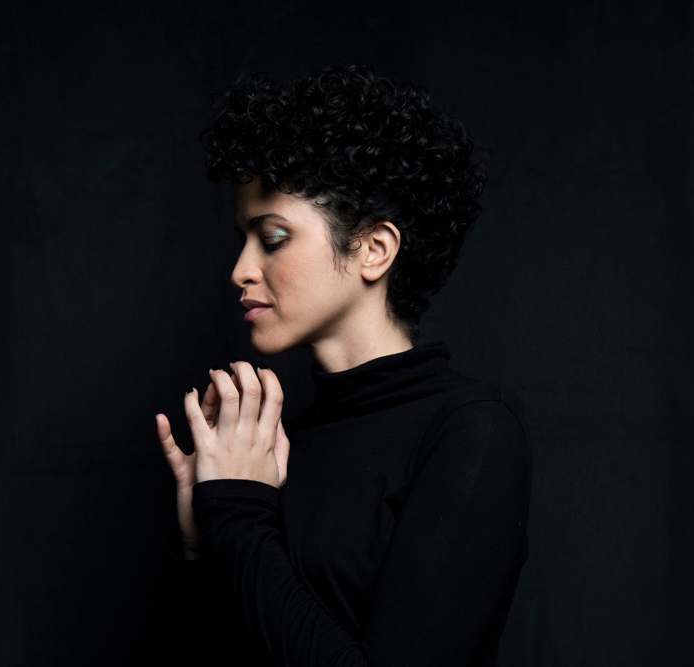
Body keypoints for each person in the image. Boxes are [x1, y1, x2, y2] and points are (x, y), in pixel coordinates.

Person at [156, 64, 531, 666]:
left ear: (373, 249)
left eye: (272, 238)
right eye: (242, 240)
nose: (240, 270)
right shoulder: (273, 449)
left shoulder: (472, 433)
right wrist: (202, 543)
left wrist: (238, 516)